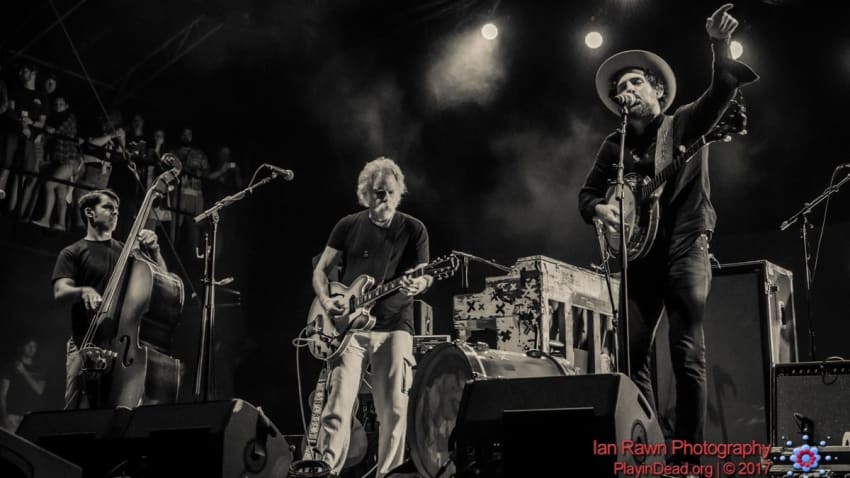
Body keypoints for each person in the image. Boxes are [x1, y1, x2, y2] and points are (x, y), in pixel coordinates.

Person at [577, 3, 758, 468]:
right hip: (638, 259)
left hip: (686, 246)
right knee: (630, 354)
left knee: (686, 353)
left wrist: (718, 44)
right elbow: (586, 195)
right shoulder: (613, 146)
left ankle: (688, 460)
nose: (626, 89)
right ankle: (649, 448)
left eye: (635, 81)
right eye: (620, 86)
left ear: (657, 89)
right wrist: (602, 210)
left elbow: (721, 91)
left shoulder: (682, 125)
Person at [312, 157, 432, 478]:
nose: (385, 200)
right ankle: (326, 471)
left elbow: (422, 277)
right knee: (337, 407)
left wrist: (417, 283)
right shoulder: (348, 225)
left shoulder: (414, 229)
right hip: (347, 331)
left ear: (399, 192)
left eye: (391, 193)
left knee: (393, 410)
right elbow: (321, 270)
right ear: (366, 193)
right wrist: (327, 300)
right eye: (379, 193)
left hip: (394, 327)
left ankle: (388, 474)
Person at [51, 189, 165, 409]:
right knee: (74, 410)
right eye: (107, 207)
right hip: (85, 341)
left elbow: (161, 281)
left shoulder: (125, 252)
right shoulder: (73, 252)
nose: (114, 213)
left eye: (117, 210)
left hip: (122, 345)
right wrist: (83, 291)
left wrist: (155, 250)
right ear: (89, 213)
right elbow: (60, 291)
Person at [0, 338, 46, 433]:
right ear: (22, 347)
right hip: (12, 417)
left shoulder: (39, 369)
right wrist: (4, 418)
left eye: (34, 346)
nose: (32, 349)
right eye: (29, 345)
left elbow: (39, 390)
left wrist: (24, 371)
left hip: (30, 419)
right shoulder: (11, 366)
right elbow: (2, 395)